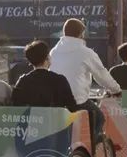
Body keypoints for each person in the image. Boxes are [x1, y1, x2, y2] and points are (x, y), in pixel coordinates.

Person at [49, 19, 122, 147]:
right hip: (77, 100)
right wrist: (116, 90)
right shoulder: (86, 53)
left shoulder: (54, 52)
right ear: (81, 34)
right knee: (99, 117)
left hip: (56, 102)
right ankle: (89, 148)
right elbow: (101, 74)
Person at [11, 40, 78, 110]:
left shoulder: (23, 81)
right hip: (55, 117)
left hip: (33, 117)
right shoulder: (60, 80)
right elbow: (72, 107)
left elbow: (15, 108)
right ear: (47, 57)